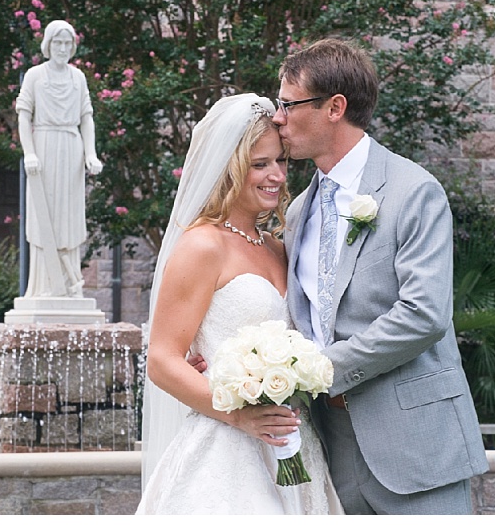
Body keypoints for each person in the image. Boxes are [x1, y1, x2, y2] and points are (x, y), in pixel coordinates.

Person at [275, 38, 488, 514]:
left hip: (416, 446)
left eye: (289, 104)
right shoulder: (295, 212)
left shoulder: (415, 192)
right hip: (332, 445)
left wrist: (322, 371)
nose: (278, 118)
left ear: (335, 107)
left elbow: (423, 315)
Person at [136, 94, 343, 514]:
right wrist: (238, 416)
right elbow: (161, 358)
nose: (277, 176)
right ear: (229, 167)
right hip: (226, 451)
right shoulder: (202, 245)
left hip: (295, 445)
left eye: (281, 161)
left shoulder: (282, 249)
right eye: (260, 164)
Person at [16, 19, 104, 298]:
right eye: (58, 42)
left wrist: (90, 153)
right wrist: (29, 152)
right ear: (48, 44)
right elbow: (23, 115)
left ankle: (70, 284)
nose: (63, 48)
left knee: (69, 217)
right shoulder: (34, 75)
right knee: (45, 215)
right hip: (43, 146)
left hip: (71, 148)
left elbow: (86, 117)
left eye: (68, 43)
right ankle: (44, 286)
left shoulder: (78, 78)